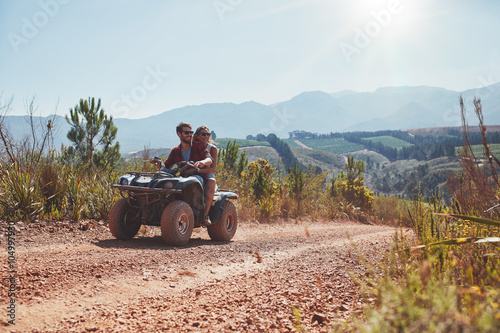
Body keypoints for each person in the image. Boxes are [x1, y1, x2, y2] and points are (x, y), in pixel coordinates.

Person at [153, 122, 213, 226]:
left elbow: (209, 159)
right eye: (186, 132)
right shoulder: (175, 151)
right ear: (179, 134)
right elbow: (166, 167)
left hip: (197, 177)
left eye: (191, 132)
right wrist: (158, 164)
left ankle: (200, 213)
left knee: (193, 180)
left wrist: (203, 162)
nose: (189, 134)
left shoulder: (198, 146)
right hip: (181, 179)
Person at [193, 126, 218, 224]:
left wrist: (198, 170)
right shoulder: (193, 146)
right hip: (193, 174)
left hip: (206, 175)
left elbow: (212, 169)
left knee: (211, 182)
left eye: (208, 134)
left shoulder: (212, 149)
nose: (206, 136)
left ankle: (205, 215)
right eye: (203, 134)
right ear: (197, 136)